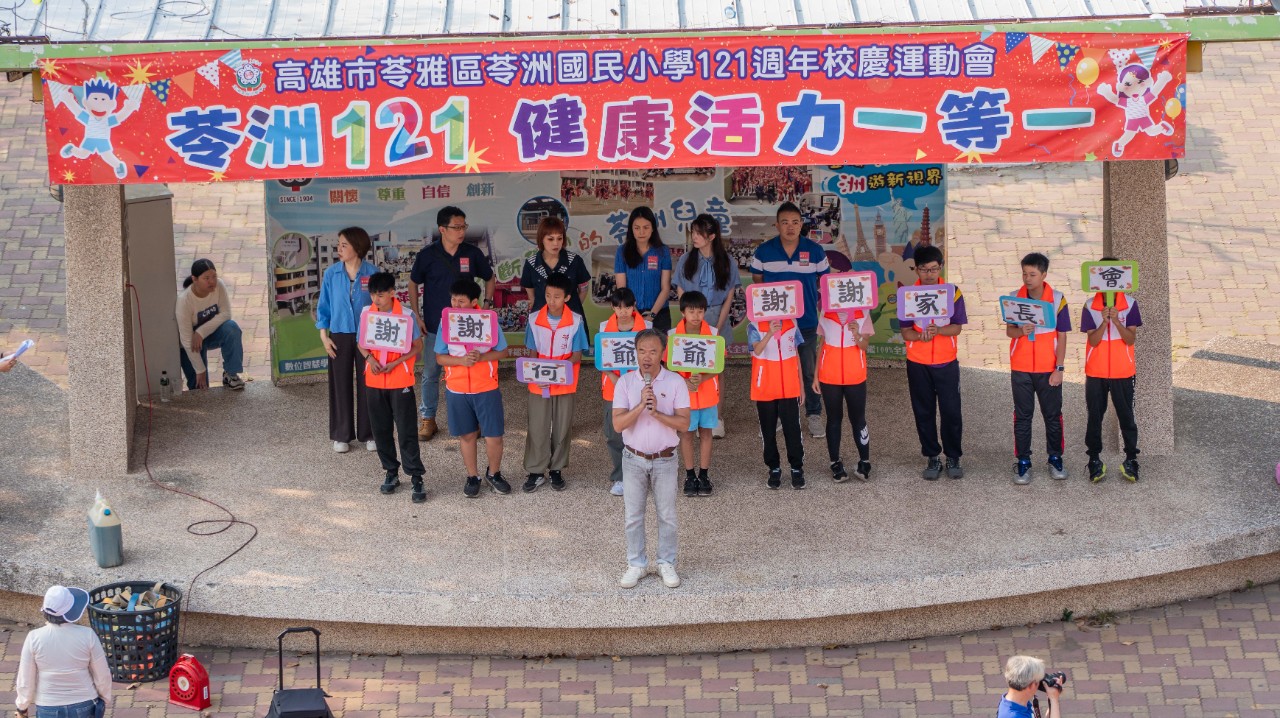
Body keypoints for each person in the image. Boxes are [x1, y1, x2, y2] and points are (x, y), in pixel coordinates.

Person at [408, 206, 495, 442]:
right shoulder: (427, 255)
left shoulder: (472, 253)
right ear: (442, 229)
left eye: (464, 226)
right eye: (457, 227)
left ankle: (473, 420)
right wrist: (416, 315)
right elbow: (413, 283)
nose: (461, 231)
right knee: (430, 373)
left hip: (468, 328)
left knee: (469, 370)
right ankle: (428, 418)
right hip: (435, 324)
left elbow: (490, 278)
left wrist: (486, 306)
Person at [612, 329, 690, 589]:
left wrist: (656, 413)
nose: (647, 357)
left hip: (665, 459)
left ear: (662, 353)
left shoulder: (675, 382)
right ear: (635, 352)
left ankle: (666, 562)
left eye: (653, 351)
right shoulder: (625, 383)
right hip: (633, 458)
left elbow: (684, 423)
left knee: (667, 515)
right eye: (642, 351)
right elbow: (618, 424)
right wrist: (640, 406)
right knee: (633, 515)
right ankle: (636, 563)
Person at [749, 202, 830, 439]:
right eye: (785, 222)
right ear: (777, 225)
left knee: (808, 370)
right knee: (777, 370)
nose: (790, 227)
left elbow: (825, 281)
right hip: (775, 326)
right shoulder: (764, 251)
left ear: (801, 224)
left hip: (806, 322)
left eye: (795, 222)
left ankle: (813, 414)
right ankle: (777, 417)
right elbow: (757, 281)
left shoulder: (815, 250)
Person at [436, 278, 512, 499]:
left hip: (486, 387)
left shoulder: (488, 320)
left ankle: (494, 473)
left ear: (474, 301)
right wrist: (461, 361)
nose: (456, 305)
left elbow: (503, 351)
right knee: (467, 435)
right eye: (453, 300)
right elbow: (440, 357)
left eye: (461, 301)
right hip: (457, 388)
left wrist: (482, 357)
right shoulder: (446, 322)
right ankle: (472, 476)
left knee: (494, 435)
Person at [359, 272, 427, 502]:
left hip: (400, 380)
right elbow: (361, 343)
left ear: (392, 293)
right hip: (374, 379)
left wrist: (397, 362)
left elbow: (417, 346)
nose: (376, 300)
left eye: (380, 295)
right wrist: (370, 359)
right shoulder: (367, 313)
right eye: (373, 295)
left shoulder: (406, 315)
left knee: (407, 430)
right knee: (380, 429)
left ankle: (416, 475)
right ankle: (390, 471)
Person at [901, 245, 968, 480]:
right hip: (917, 363)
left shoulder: (952, 293)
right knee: (923, 411)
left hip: (946, 362)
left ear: (941, 267)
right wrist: (919, 336)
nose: (929, 274)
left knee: (951, 411)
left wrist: (939, 330)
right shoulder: (908, 295)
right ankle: (932, 456)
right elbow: (906, 332)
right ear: (915, 269)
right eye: (923, 269)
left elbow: (957, 327)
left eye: (933, 269)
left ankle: (953, 456)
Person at [673, 213, 740, 439]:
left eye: (698, 233)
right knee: (689, 368)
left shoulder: (727, 261)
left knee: (716, 370)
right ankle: (689, 414)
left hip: (717, 317)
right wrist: (688, 315)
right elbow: (680, 289)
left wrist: (717, 327)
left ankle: (716, 418)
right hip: (691, 319)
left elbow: (729, 295)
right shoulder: (686, 259)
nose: (694, 237)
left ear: (711, 236)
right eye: (693, 233)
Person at [1006, 253, 1072, 485]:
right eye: (1024, 273)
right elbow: (1010, 332)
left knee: (1053, 416)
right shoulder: (1014, 298)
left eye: (1032, 274)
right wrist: (1020, 331)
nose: (1027, 278)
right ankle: (1023, 461)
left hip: (1048, 369)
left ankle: (1055, 458)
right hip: (1021, 368)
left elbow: (1062, 335)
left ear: (1044, 274)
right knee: (1022, 417)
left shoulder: (1057, 299)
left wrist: (1059, 368)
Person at [523, 273, 589, 493]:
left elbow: (577, 355)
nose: (551, 301)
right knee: (537, 426)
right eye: (548, 295)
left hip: (564, 383)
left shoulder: (576, 321)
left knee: (562, 427)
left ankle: (556, 469)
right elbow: (532, 352)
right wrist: (538, 375)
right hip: (539, 383)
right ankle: (535, 470)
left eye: (557, 296)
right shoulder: (534, 319)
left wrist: (554, 373)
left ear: (567, 297)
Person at [1081, 257, 1143, 483]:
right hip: (1096, 372)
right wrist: (1104, 322)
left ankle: (1131, 459)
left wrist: (1117, 322)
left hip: (1123, 371)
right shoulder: (1089, 305)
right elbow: (1093, 340)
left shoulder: (1131, 304)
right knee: (1094, 417)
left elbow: (1130, 339)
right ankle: (1094, 459)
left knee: (1127, 417)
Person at [316, 227, 377, 454]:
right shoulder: (332, 274)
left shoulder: (373, 272)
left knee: (369, 384)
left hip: (367, 336)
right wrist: (324, 336)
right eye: (338, 244)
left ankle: (370, 434)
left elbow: (382, 305)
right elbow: (323, 307)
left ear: (357, 248)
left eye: (344, 245)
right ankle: (341, 435)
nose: (339, 249)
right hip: (339, 335)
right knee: (339, 384)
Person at [15, 585, 112, 718]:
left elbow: (25, 680)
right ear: (72, 610)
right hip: (85, 701)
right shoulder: (87, 635)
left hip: (48, 706)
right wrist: (105, 698)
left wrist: (22, 707)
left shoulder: (33, 637)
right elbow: (102, 674)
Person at [813, 306, 873, 484]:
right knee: (833, 419)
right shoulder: (826, 312)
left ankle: (865, 461)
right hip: (829, 376)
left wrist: (857, 334)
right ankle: (835, 462)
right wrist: (816, 375)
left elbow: (864, 345)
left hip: (855, 376)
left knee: (858, 419)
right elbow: (822, 344)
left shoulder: (863, 313)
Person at [599, 287, 647, 497]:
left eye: (627, 307)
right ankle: (621, 477)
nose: (623, 311)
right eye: (618, 308)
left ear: (633, 306)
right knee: (615, 434)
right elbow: (601, 358)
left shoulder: (646, 328)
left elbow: (652, 359)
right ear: (612, 307)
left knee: (641, 432)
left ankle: (641, 476)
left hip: (639, 388)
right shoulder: (604, 327)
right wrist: (613, 377)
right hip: (613, 388)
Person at [671, 291, 720, 497]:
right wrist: (683, 381)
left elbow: (719, 366)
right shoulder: (673, 335)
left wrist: (704, 378)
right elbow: (668, 367)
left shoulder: (713, 333)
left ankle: (704, 474)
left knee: (706, 433)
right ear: (683, 312)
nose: (696, 315)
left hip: (707, 394)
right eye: (691, 311)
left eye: (700, 311)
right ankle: (690, 475)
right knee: (687, 434)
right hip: (685, 397)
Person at [749, 316, 806, 490]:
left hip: (789, 386)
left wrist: (801, 385)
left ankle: (796, 468)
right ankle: (774, 468)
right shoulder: (754, 325)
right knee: (768, 431)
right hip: (765, 387)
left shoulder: (792, 322)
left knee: (792, 429)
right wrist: (769, 333)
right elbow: (756, 350)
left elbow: (796, 355)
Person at [175, 258, 245, 391]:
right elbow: (186, 339)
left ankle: (231, 374)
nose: (212, 281)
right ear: (195, 279)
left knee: (231, 328)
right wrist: (200, 370)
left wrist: (200, 332)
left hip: (208, 334)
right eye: (206, 278)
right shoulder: (184, 301)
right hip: (190, 344)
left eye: (214, 276)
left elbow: (226, 314)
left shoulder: (219, 285)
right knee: (200, 388)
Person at [613, 206, 673, 335]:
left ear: (653, 228)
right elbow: (622, 289)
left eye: (646, 227)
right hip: (630, 314)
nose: (641, 232)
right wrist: (636, 314)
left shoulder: (662, 252)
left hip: (659, 314)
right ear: (631, 229)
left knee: (660, 347)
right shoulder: (622, 252)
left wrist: (652, 315)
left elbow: (666, 288)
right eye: (637, 228)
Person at [520, 216, 592, 319]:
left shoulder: (575, 261)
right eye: (550, 239)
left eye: (559, 238)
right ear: (541, 239)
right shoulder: (531, 263)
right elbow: (531, 293)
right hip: (542, 320)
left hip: (571, 319)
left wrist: (574, 308)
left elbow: (583, 289)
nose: (556, 243)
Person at [998, 655, 1065, 718]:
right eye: (1039, 681)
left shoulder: (1016, 701)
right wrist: (1053, 698)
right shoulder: (1015, 716)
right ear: (1032, 685)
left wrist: (1052, 699)